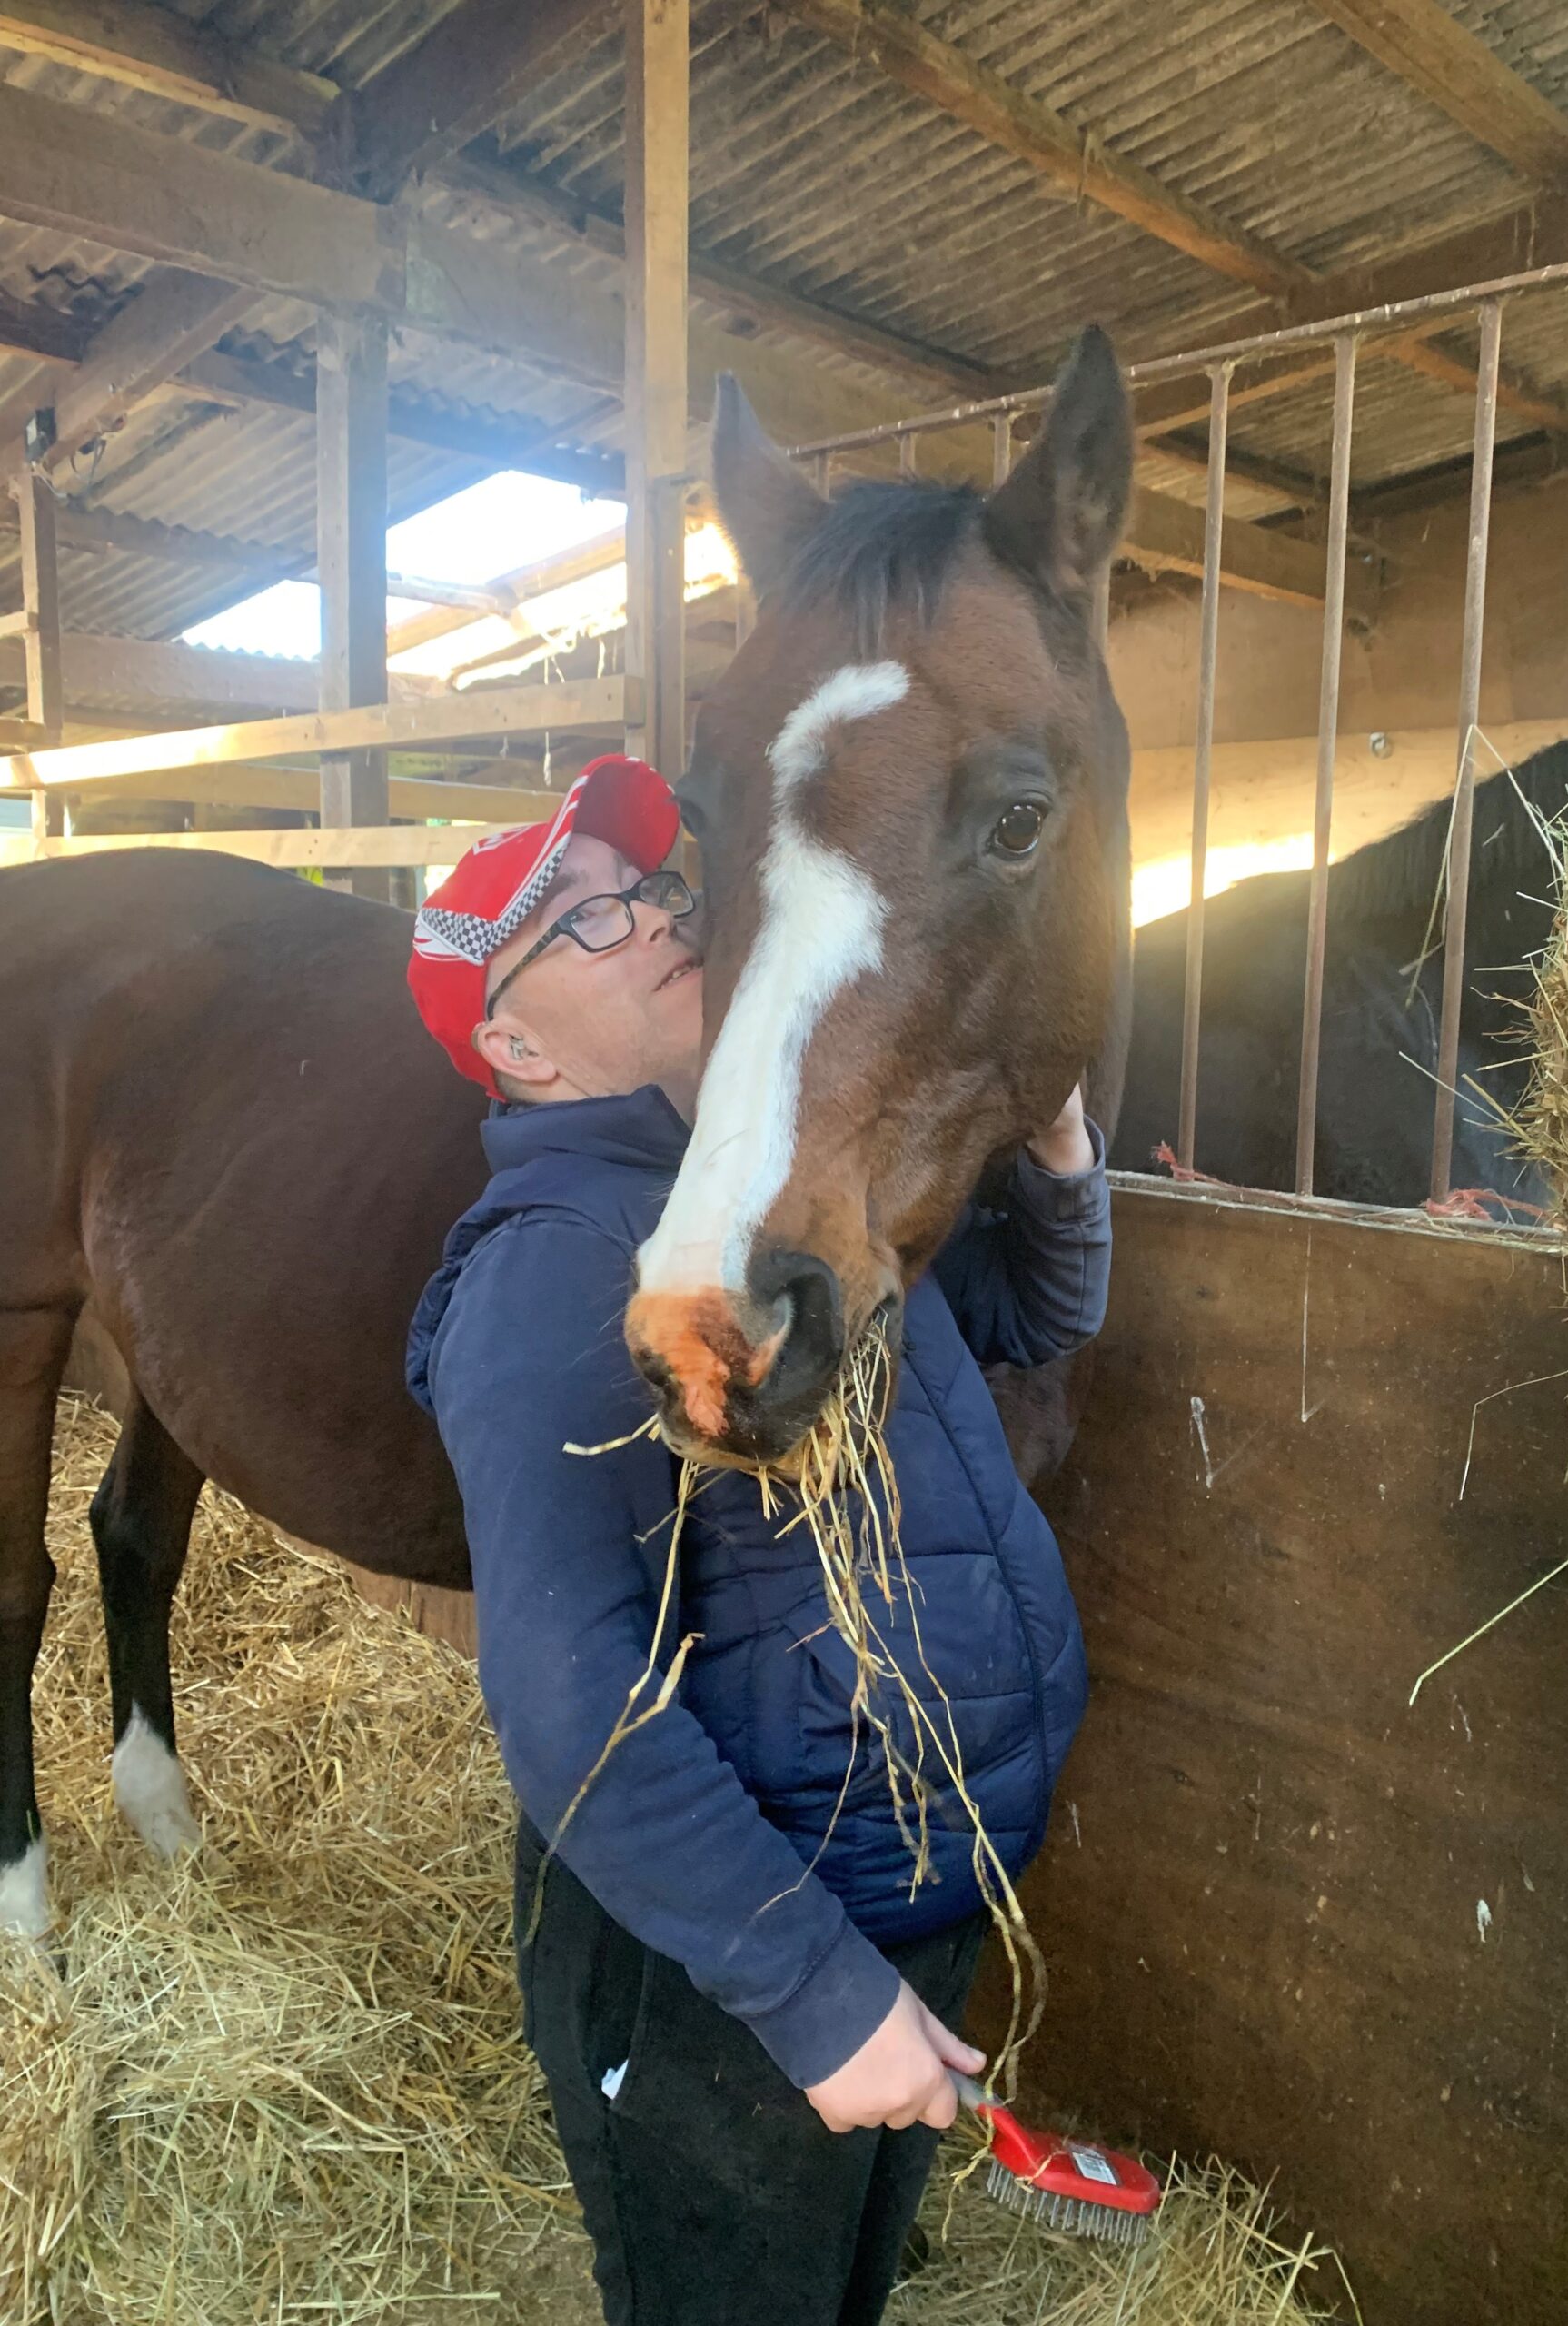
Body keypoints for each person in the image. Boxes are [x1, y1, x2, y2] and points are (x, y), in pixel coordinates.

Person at [403, 755, 1112, 2326]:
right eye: (588, 920)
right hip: (730, 1968)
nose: (662, 916)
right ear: (515, 1045)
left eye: (654, 887)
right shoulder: (553, 1270)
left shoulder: (791, 1181)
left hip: (902, 1889)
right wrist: (813, 1995)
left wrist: (1059, 1146)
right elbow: (569, 1697)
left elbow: (1025, 1317)